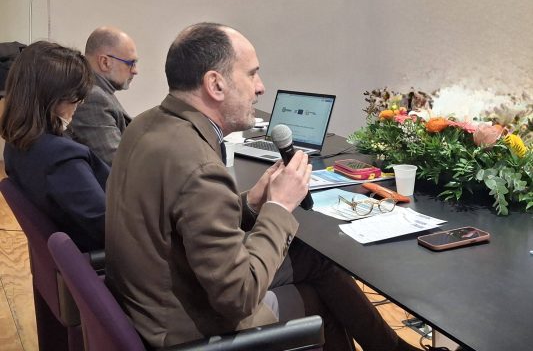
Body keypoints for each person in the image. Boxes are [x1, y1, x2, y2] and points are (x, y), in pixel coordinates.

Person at [105, 23, 420, 351]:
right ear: (216, 84)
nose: (260, 87)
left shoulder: (145, 124)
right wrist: (278, 207)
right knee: (320, 304)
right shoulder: (199, 167)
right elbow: (238, 296)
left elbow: (184, 220)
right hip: (186, 329)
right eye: (252, 74)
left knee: (314, 262)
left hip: (150, 308)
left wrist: (252, 203)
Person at [0, 41, 109, 252]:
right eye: (76, 96)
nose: (80, 103)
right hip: (105, 256)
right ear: (54, 98)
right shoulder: (61, 158)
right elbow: (107, 227)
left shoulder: (16, 145)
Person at [68, 26, 138, 165]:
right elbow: (118, 163)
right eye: (131, 63)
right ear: (105, 62)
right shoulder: (93, 97)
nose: (135, 71)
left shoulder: (99, 91)